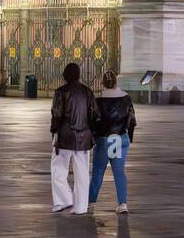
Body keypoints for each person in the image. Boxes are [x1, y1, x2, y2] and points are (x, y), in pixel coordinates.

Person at [50, 62, 99, 215]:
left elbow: (56, 114)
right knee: (83, 173)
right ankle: (81, 207)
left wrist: (54, 131)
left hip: (65, 137)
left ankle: (63, 200)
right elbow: (95, 115)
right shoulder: (88, 92)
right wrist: (90, 132)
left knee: (58, 169)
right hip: (84, 138)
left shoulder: (60, 92)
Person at [90, 70, 137, 214]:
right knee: (119, 172)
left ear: (103, 84)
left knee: (98, 172)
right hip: (119, 139)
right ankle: (123, 204)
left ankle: (90, 202)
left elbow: (93, 122)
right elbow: (132, 120)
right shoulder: (126, 98)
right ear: (116, 82)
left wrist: (93, 138)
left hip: (104, 140)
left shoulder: (98, 101)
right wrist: (129, 136)